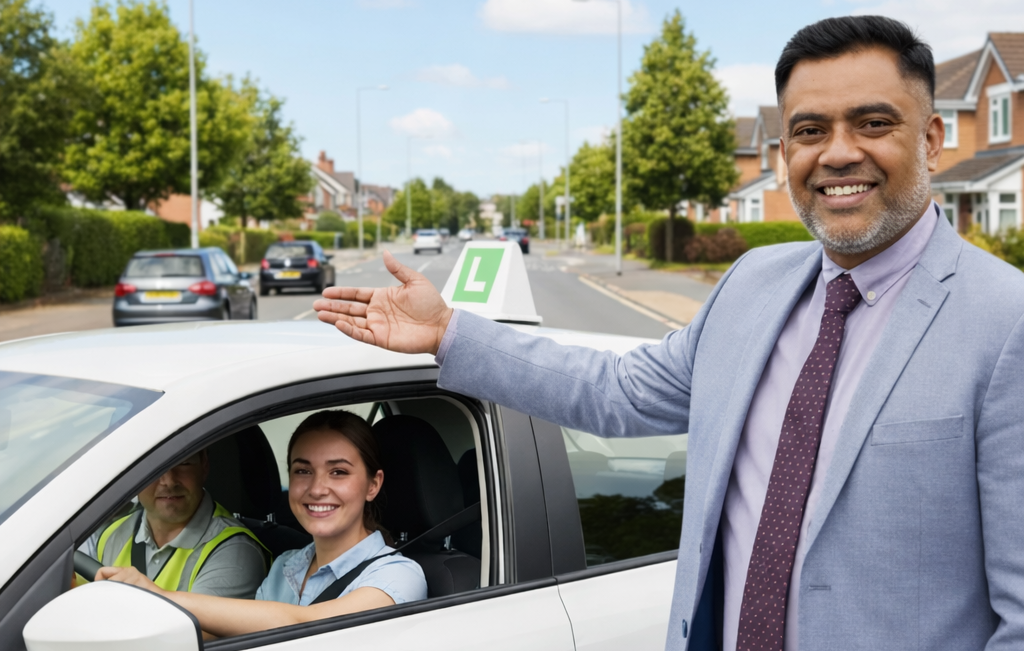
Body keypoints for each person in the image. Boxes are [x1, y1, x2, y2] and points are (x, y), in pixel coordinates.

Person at [313, 16, 1024, 651]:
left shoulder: (1004, 322)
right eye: (811, 131)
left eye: (872, 123)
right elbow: (619, 391)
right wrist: (448, 333)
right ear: (785, 150)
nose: (838, 153)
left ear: (932, 139)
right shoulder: (753, 284)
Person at [97, 410, 427, 638]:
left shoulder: (398, 576)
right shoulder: (285, 566)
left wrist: (158, 597)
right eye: (303, 471)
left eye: (338, 472)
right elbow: (245, 635)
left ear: (373, 485)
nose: (316, 488)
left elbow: (303, 624)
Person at [81, 449, 268, 598]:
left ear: (204, 465)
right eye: (153, 467)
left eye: (184, 463)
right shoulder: (112, 534)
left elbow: (188, 631)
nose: (169, 481)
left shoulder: (236, 552)